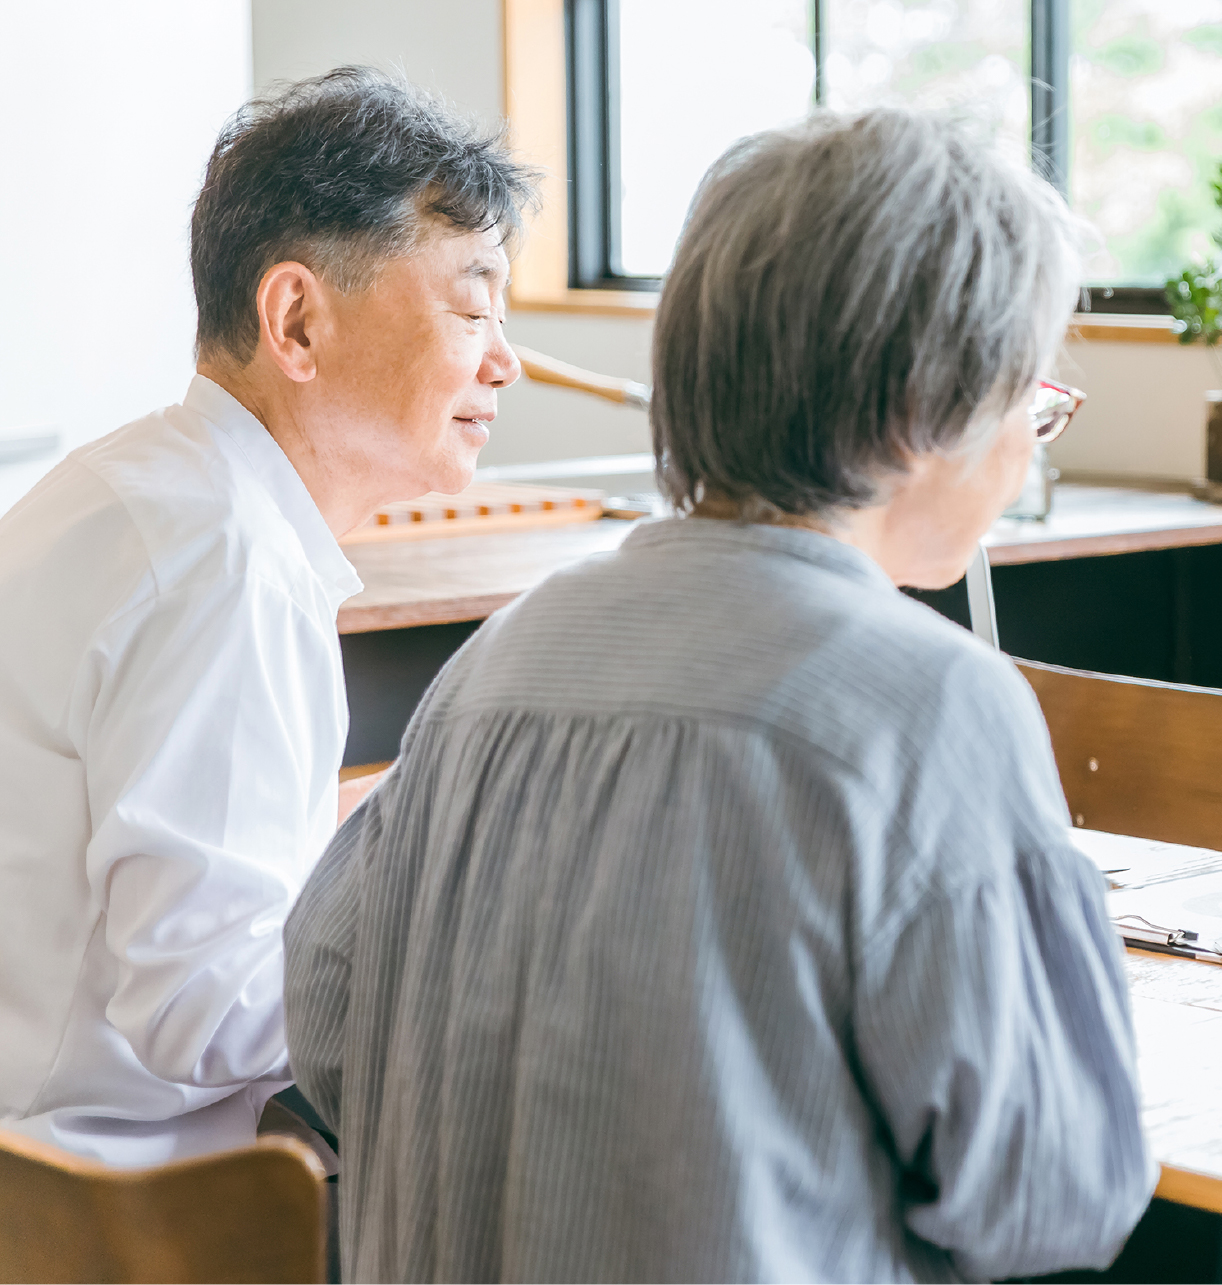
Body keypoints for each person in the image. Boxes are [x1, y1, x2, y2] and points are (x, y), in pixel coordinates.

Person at [282, 107, 1153, 1282]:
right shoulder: (928, 700)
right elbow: (1052, 1195)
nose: (1028, 446)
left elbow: (329, 1028)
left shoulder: (499, 660)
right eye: (1029, 397)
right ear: (928, 404)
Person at [0, 67, 533, 1166]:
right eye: (472, 305)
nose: (504, 361)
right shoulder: (227, 566)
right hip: (112, 1208)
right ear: (296, 318)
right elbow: (204, 1006)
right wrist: (472, 945)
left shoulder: (137, 486)